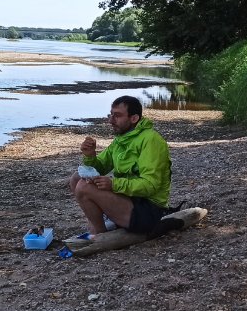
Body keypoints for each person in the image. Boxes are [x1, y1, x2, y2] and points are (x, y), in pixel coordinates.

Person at [67, 95, 171, 241]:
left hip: (148, 211)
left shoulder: (151, 140)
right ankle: (97, 225)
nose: (110, 120)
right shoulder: (122, 139)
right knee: (77, 178)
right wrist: (90, 156)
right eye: (111, 115)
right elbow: (100, 168)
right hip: (130, 199)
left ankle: (100, 234)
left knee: (83, 187)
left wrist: (114, 184)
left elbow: (151, 185)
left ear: (134, 118)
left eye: (117, 116)